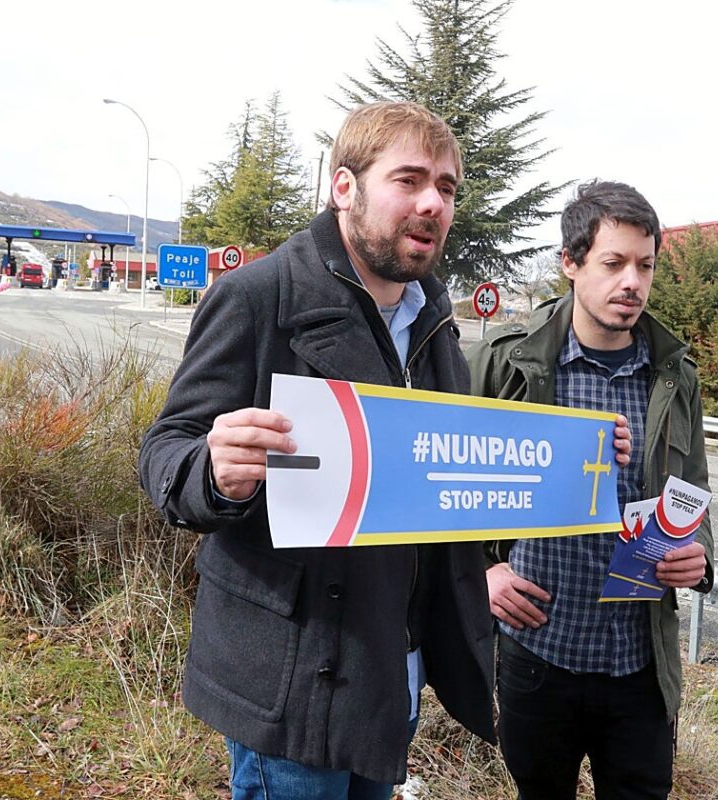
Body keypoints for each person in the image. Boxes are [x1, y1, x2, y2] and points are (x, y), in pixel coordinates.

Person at [139, 101, 497, 800]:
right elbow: (164, 450)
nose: (432, 203)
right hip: (293, 677)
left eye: (446, 188)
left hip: (392, 671)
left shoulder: (435, 319)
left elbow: (443, 478)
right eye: (408, 180)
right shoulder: (258, 296)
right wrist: (212, 471)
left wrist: (573, 469)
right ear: (344, 187)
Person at [468, 180, 715, 800]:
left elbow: (693, 485)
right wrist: (481, 572)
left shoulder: (674, 376)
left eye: (645, 266)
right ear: (570, 264)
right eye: (613, 263)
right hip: (539, 650)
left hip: (639, 660)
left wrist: (699, 555)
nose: (632, 282)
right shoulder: (506, 363)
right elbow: (449, 480)